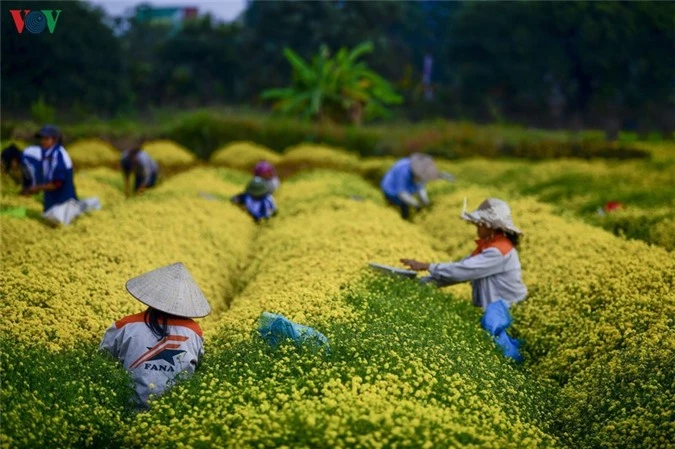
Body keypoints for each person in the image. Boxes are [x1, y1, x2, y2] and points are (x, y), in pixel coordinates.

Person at [99, 262, 211, 409]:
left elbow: (103, 361)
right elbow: (198, 366)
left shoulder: (125, 325)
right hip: (175, 413)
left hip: (125, 409)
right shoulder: (194, 331)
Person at [401, 198, 527, 309]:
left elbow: (462, 271)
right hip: (499, 309)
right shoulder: (489, 245)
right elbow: (460, 267)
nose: (477, 229)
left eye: (479, 225)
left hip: (508, 309)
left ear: (489, 226)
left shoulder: (498, 251)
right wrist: (420, 283)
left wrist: (428, 266)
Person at [23, 125, 78, 212]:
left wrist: (37, 188)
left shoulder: (58, 155)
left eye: (46, 139)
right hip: (53, 202)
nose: (42, 141)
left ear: (55, 140)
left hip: (63, 204)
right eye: (42, 139)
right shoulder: (47, 154)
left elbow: (57, 183)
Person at [380, 153, 440, 219]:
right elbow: (402, 193)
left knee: (407, 205)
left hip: (406, 190)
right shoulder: (403, 170)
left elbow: (420, 188)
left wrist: (426, 202)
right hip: (391, 190)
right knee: (400, 208)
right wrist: (416, 205)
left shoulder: (423, 172)